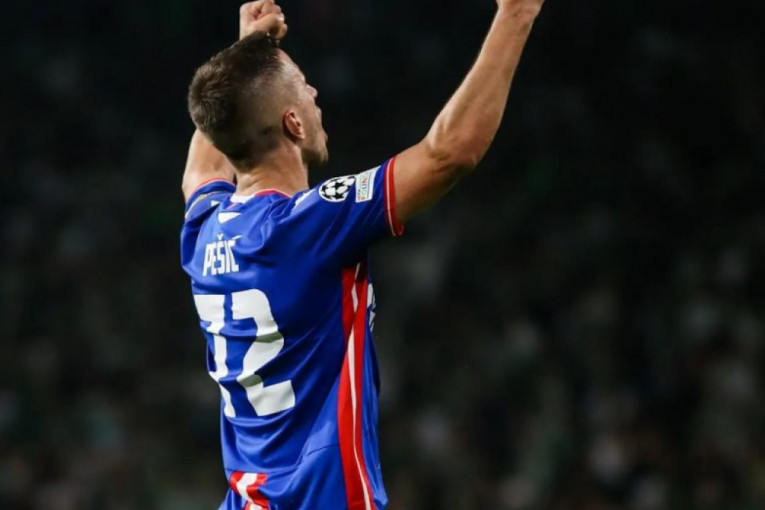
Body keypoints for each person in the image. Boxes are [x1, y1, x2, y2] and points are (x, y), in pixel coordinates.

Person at [180, 0, 546, 508]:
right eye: (303, 86)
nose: (314, 92)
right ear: (294, 124)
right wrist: (516, 15)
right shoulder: (306, 225)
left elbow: (203, 166)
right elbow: (448, 153)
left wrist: (247, 51)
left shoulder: (204, 228)